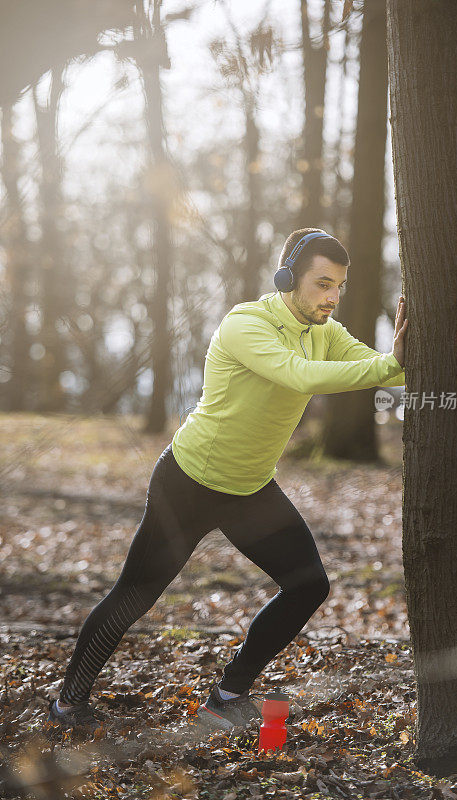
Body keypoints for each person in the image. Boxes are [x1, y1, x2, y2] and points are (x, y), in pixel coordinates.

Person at [46, 228, 408, 733]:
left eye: (339, 287)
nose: (332, 297)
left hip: (250, 490)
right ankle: (67, 704)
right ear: (287, 278)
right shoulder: (247, 324)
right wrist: (393, 364)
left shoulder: (326, 332)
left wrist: (415, 358)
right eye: (323, 284)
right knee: (136, 594)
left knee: (309, 585)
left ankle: (228, 694)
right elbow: (302, 376)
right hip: (188, 485)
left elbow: (377, 367)